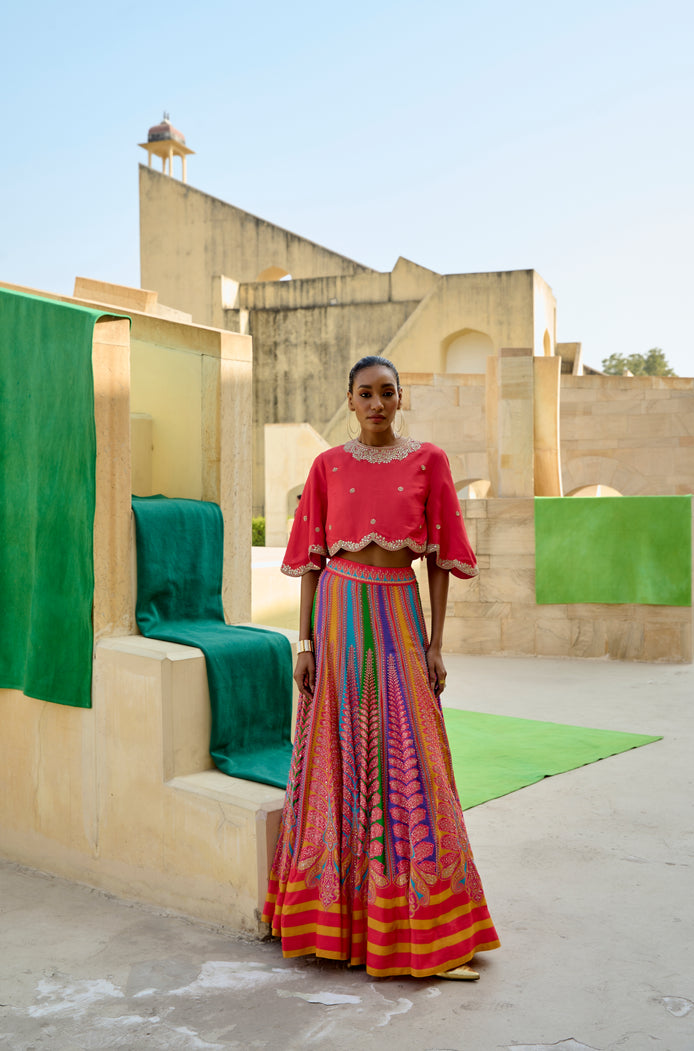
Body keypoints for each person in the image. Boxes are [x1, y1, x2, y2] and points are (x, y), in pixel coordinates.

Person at [262, 355, 500, 980]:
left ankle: (423, 926)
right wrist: (304, 642)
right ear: (349, 400)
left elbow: (442, 561)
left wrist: (436, 644)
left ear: (403, 398)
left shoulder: (430, 462)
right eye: (365, 393)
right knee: (334, 757)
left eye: (387, 393)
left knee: (408, 752)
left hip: (398, 612)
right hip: (337, 617)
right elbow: (312, 560)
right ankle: (330, 924)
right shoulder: (326, 466)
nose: (377, 403)